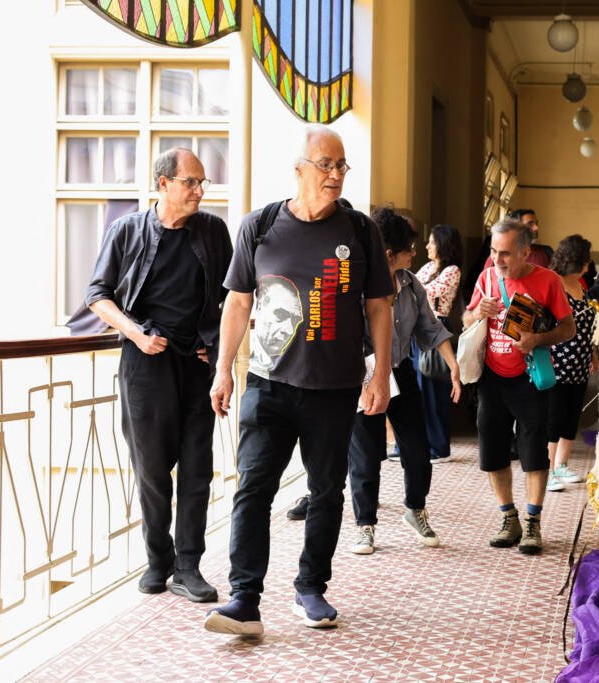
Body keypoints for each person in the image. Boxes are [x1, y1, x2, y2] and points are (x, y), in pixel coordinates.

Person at [204, 124, 394, 635]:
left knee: (327, 490)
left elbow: (379, 307)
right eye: (325, 165)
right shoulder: (260, 225)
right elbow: (238, 301)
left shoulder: (359, 231)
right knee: (252, 488)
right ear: (299, 169)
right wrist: (223, 367)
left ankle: (311, 587)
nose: (335, 175)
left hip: (334, 387)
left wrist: (381, 374)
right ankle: (244, 598)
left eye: (341, 166)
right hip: (267, 384)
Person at [85, 147, 233, 602]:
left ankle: (188, 566)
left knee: (196, 468)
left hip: (197, 365)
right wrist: (134, 333)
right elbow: (98, 295)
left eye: (203, 182)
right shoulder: (126, 230)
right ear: (163, 183)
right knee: (151, 468)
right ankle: (158, 559)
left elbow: (236, 294)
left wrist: (221, 349)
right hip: (144, 364)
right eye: (191, 182)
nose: (200, 191)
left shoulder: (212, 230)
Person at [347, 208, 461, 555]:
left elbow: (431, 328)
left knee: (416, 450)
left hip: (401, 370)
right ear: (387, 255)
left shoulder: (412, 285)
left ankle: (416, 509)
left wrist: (453, 365)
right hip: (364, 373)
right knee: (365, 454)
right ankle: (365, 525)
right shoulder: (357, 286)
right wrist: (363, 381)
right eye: (408, 248)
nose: (415, 252)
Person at [463, 219, 575, 555]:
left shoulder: (547, 282)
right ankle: (508, 518)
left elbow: (568, 328)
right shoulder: (486, 278)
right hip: (492, 378)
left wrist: (538, 339)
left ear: (526, 252)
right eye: (494, 252)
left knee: (533, 451)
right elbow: (466, 320)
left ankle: (532, 523)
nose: (497, 259)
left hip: (529, 378)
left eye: (506, 254)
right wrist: (475, 314)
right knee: (492, 451)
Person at [544, 235, 597, 492]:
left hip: (581, 360)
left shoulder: (581, 284)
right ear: (579, 261)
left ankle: (562, 464)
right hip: (558, 360)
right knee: (554, 417)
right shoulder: (555, 284)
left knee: (571, 415)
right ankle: (549, 468)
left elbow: (589, 325)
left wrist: (593, 355)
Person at [413, 223, 464, 463]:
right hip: (418, 330)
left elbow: (421, 291)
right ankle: (420, 444)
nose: (427, 246)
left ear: (443, 244)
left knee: (434, 389)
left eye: (432, 242)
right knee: (419, 390)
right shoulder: (426, 266)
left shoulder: (452, 270)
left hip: (437, 330)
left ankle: (439, 446)